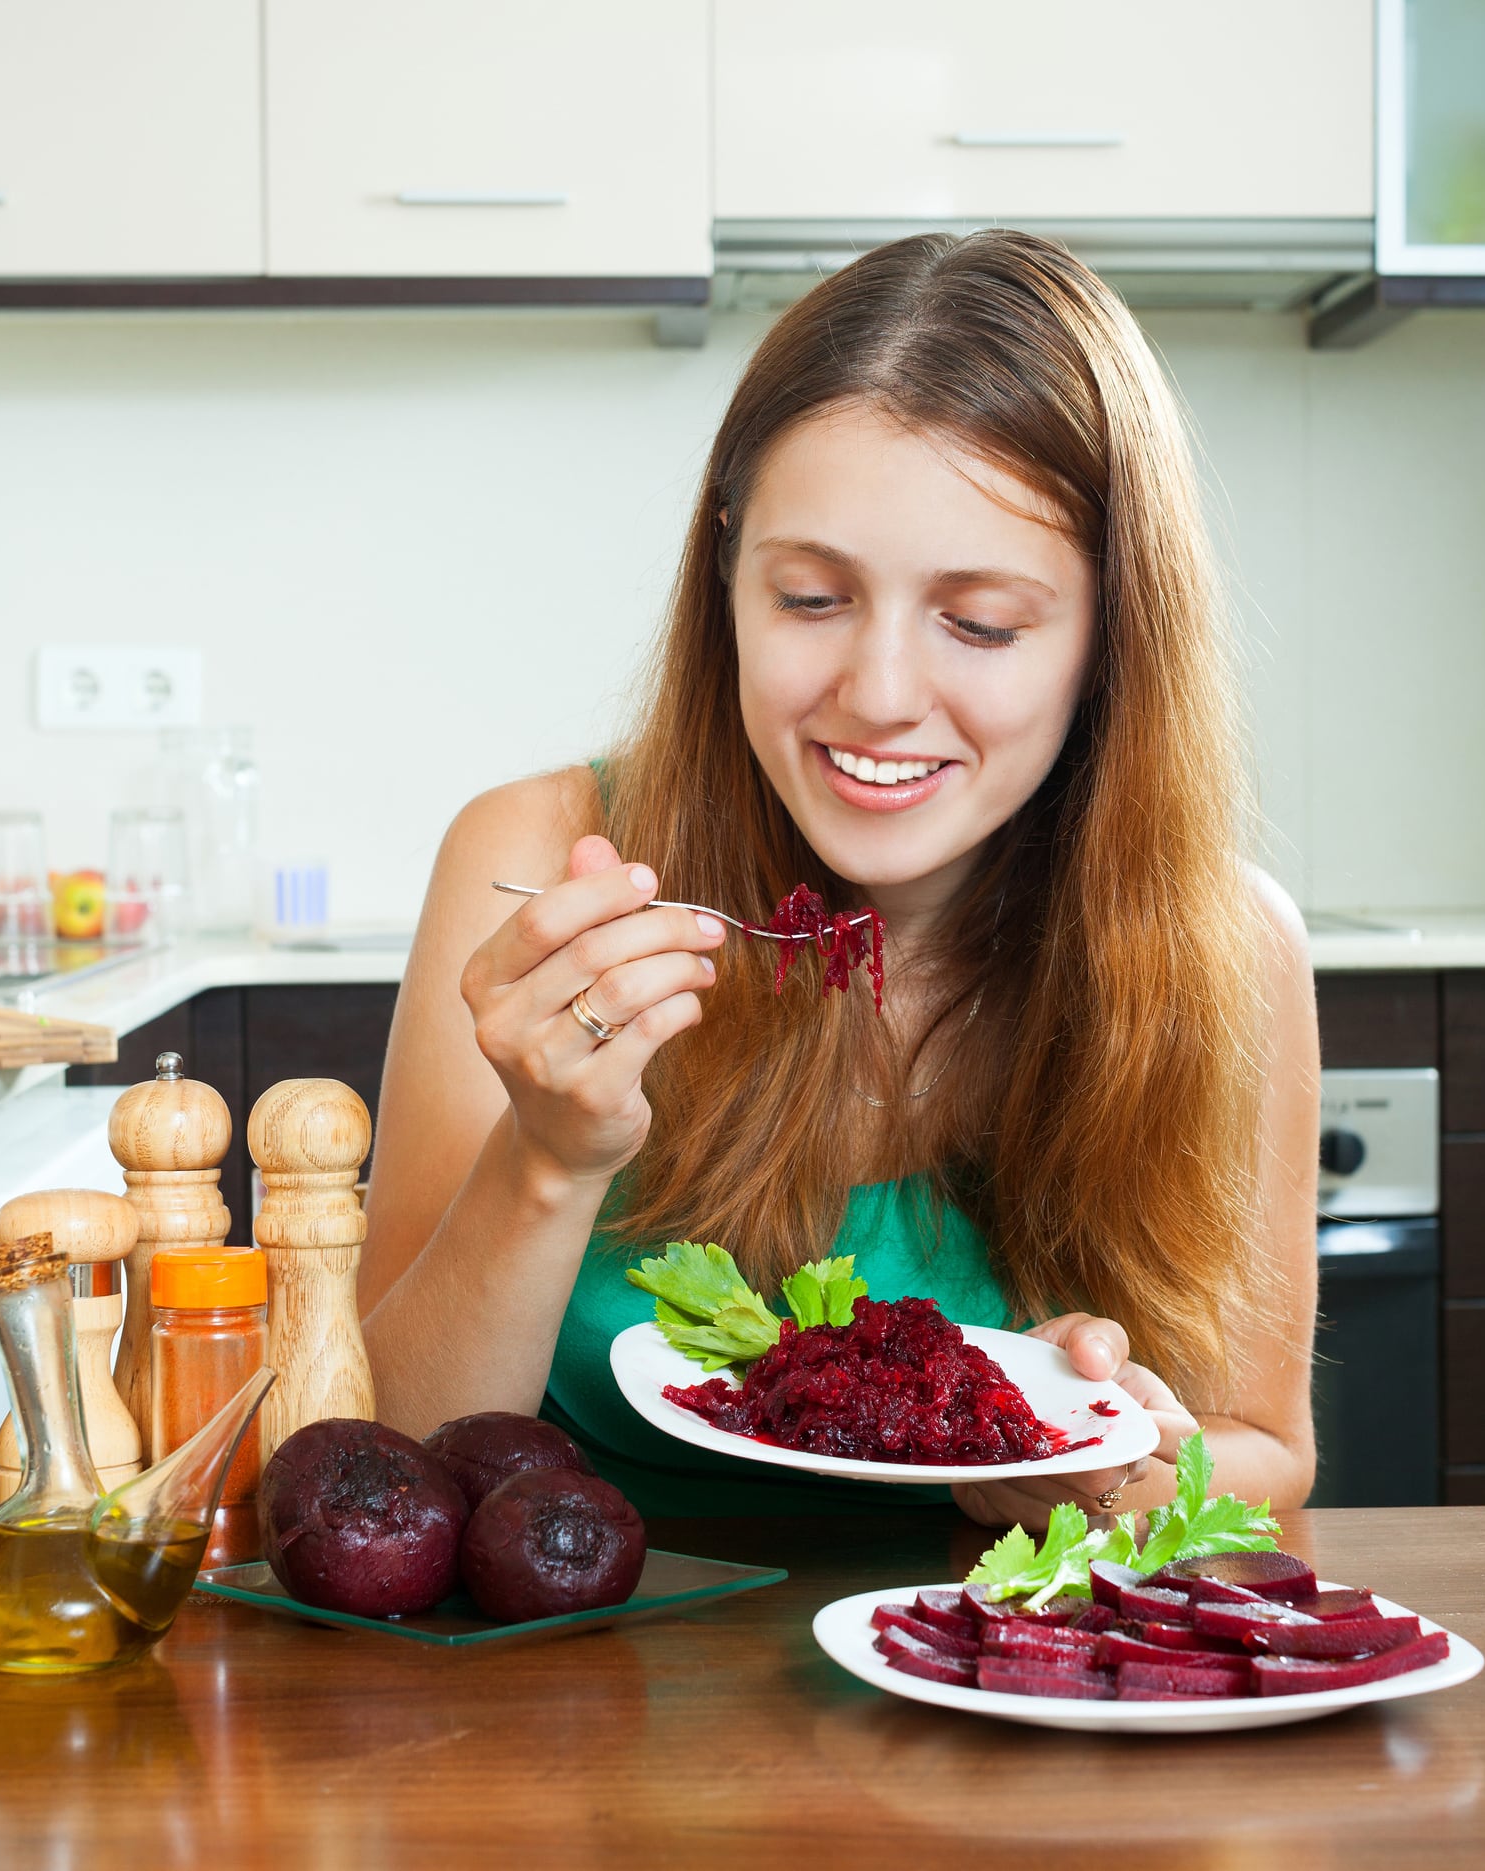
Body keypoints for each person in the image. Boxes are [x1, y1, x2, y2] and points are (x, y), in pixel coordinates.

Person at [360, 230, 1320, 1529]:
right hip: (596, 1677)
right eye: (811, 598)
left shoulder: (1235, 949)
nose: (876, 699)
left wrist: (1116, 1464)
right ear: (727, 570)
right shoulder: (529, 857)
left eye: (980, 624)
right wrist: (547, 1156)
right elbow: (389, 1458)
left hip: (1004, 1686)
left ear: (1110, 631)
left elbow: (1261, 1446)